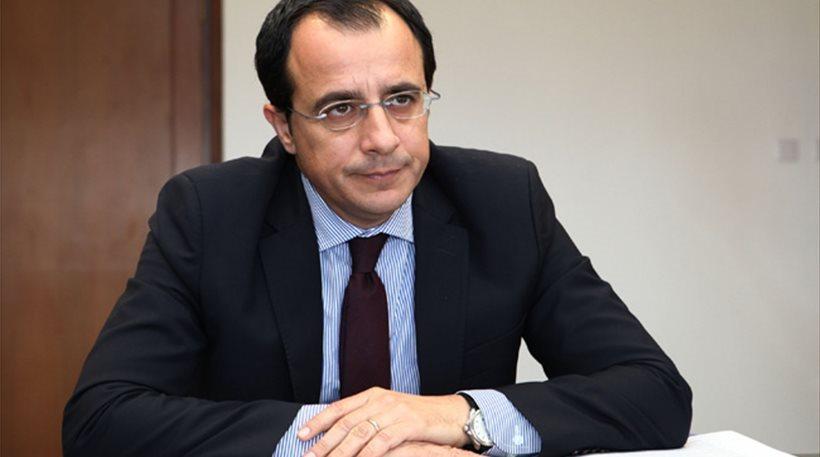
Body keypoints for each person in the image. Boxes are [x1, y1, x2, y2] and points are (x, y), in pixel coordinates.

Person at [63, 1, 692, 456]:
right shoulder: (209, 214)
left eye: (401, 99)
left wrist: (458, 417)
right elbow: (101, 419)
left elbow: (655, 393)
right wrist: (352, 441)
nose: (383, 138)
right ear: (284, 126)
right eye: (341, 108)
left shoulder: (503, 202)